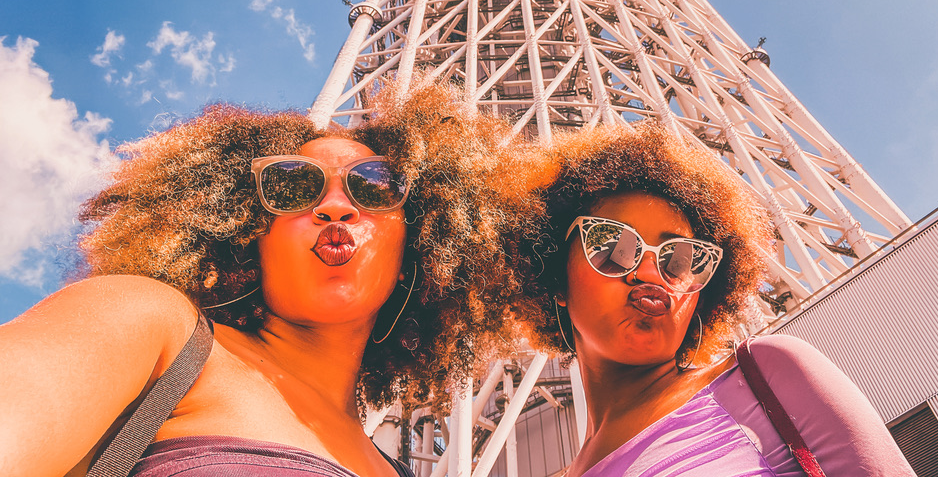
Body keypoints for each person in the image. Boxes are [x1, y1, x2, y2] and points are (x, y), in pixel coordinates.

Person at [0, 82, 536, 477]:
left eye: (375, 187)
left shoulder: (396, 468)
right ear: (246, 229)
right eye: (293, 186)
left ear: (420, 239)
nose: (334, 208)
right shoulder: (151, 329)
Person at [516, 123, 916, 477]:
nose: (653, 274)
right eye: (613, 248)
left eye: (681, 260)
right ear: (555, 282)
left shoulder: (766, 378)